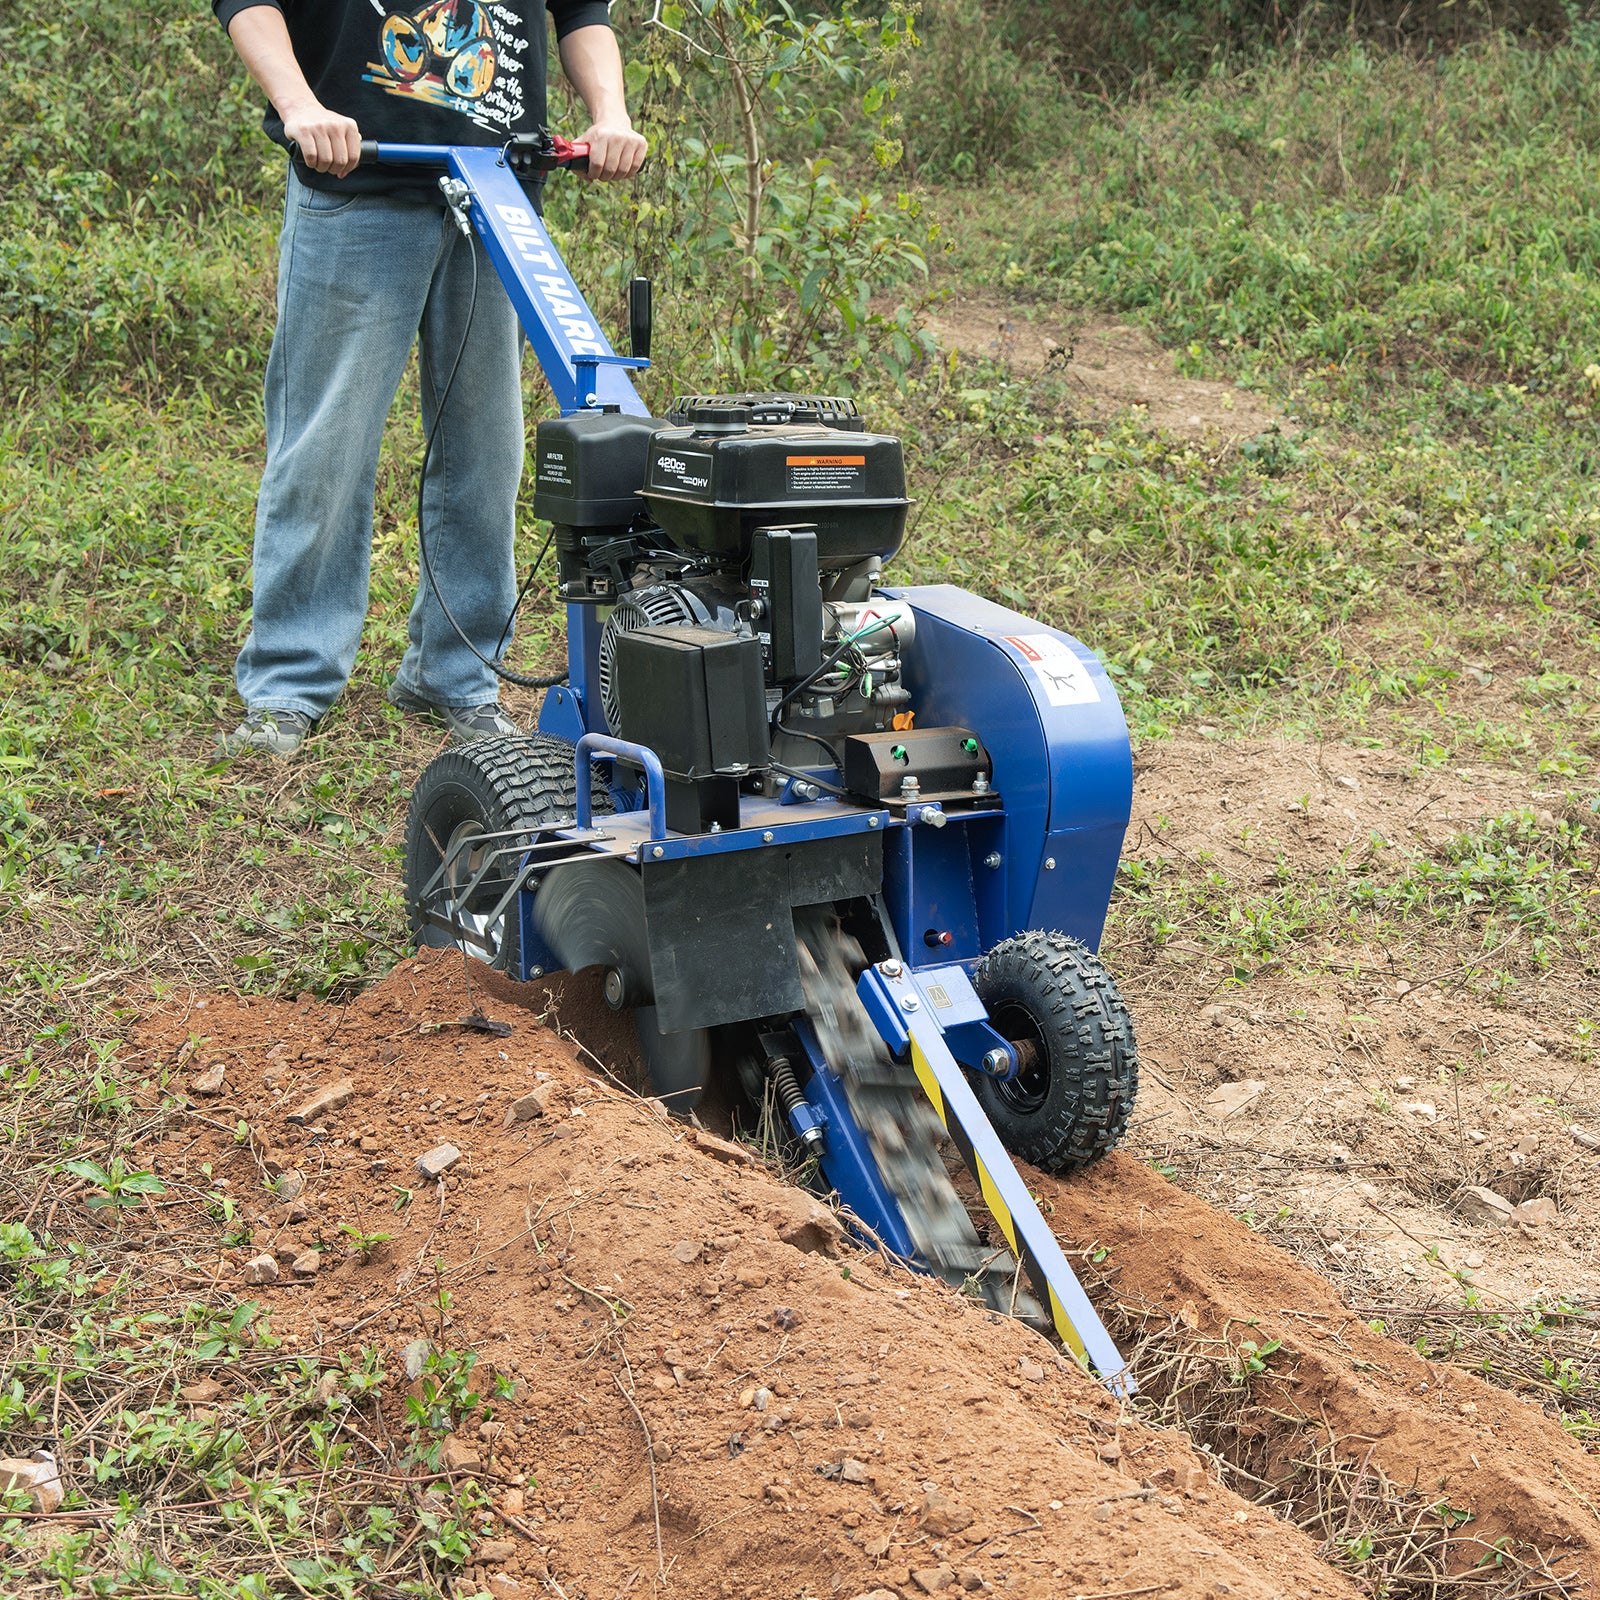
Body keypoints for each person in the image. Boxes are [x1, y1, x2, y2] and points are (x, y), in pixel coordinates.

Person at [214, 0, 646, 756]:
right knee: (326, 445)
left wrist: (609, 113)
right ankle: (289, 681)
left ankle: (456, 675)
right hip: (356, 180)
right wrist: (300, 104)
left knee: (487, 451)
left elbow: (581, 8)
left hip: (499, 194)